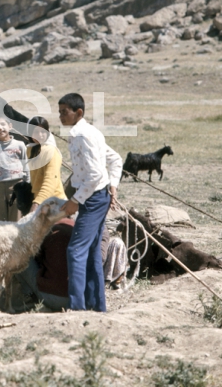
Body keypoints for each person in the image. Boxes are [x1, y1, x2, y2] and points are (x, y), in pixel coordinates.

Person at [58, 93, 122, 313]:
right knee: (93, 250)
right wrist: (113, 184)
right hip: (97, 196)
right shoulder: (92, 131)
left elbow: (94, 175)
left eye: (64, 112)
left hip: (92, 198)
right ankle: (96, 306)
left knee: (75, 250)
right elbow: (114, 159)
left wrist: (76, 200)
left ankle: (77, 307)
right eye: (59, 112)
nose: (60, 116)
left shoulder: (81, 135)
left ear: (79, 113)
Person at [0, 115, 30, 222]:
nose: (0, 128)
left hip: (17, 185)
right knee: (0, 220)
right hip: (0, 187)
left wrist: (26, 187)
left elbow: (26, 167)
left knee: (16, 218)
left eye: (3, 124)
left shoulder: (20, 145)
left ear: (10, 126)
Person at [26, 116, 67, 214]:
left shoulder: (51, 152)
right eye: (36, 132)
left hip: (55, 203)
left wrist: (36, 204)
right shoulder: (30, 150)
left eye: (43, 131)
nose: (40, 135)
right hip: (40, 201)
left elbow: (50, 182)